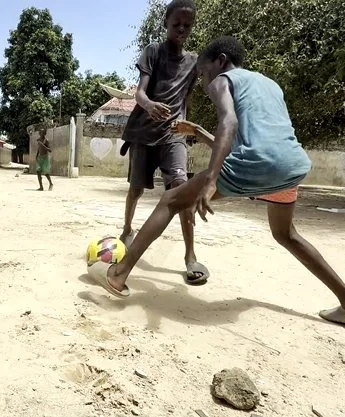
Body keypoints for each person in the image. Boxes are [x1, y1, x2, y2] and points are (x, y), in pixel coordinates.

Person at [88, 36, 345, 327]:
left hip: (256, 165)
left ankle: (117, 275)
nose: (204, 84)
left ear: (221, 61)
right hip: (292, 166)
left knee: (170, 199)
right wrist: (201, 133)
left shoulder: (223, 80)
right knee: (286, 234)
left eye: (203, 74)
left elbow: (229, 122)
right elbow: (250, 140)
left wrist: (212, 179)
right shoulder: (270, 85)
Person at [119, 0, 208, 284]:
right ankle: (126, 229)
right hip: (144, 133)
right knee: (135, 190)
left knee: (182, 192)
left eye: (187, 25)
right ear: (166, 24)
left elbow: (187, 98)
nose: (181, 29)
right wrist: (149, 106)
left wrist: (189, 128)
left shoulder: (194, 62)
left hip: (174, 135)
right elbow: (140, 93)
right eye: (176, 24)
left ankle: (190, 255)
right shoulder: (153, 52)